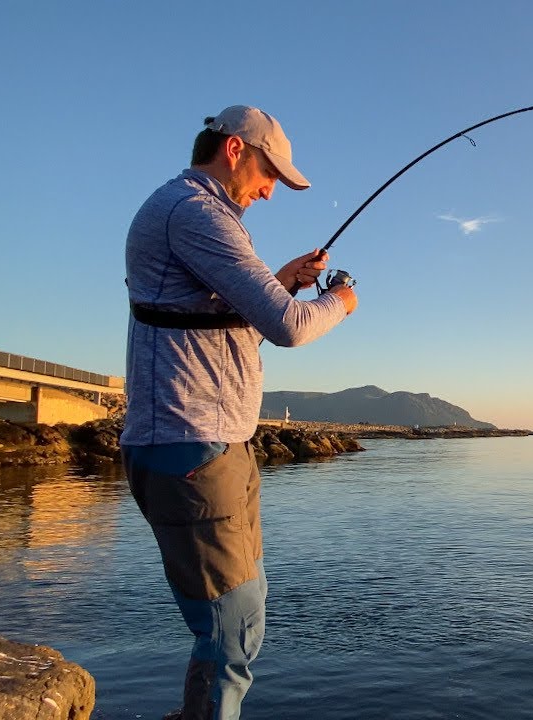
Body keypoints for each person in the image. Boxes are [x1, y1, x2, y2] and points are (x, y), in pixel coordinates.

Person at [121, 105, 358, 720]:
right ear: (234, 150)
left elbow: (224, 333)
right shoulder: (196, 212)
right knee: (232, 630)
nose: (270, 190)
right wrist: (339, 301)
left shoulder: (197, 213)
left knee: (234, 620)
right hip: (191, 445)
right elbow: (288, 326)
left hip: (216, 444)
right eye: (268, 172)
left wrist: (278, 279)